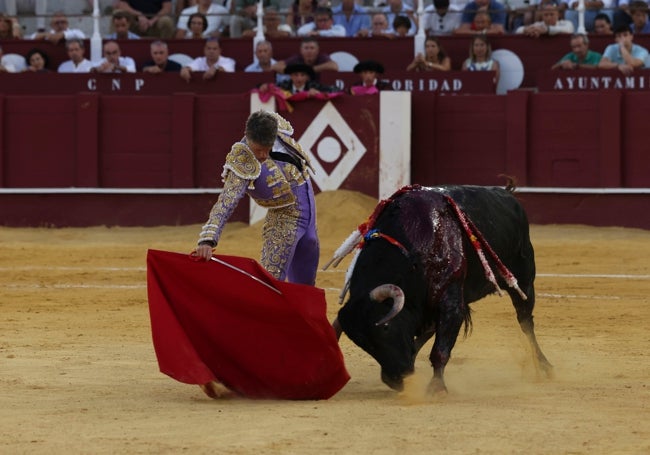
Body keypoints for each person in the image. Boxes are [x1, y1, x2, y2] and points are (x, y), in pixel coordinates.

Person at [194, 110, 319, 285]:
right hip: (284, 221)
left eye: (267, 150)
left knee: (306, 282)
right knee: (270, 284)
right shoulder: (242, 160)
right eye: (259, 149)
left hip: (310, 215)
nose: (262, 155)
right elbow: (226, 201)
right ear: (248, 137)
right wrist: (207, 239)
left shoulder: (274, 127)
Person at [271, 36, 339, 82]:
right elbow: (275, 66)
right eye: (306, 48)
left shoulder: (322, 57)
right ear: (301, 50)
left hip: (319, 88)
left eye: (312, 48)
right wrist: (296, 71)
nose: (309, 51)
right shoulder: (297, 58)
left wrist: (310, 70)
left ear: (317, 50)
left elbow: (334, 66)